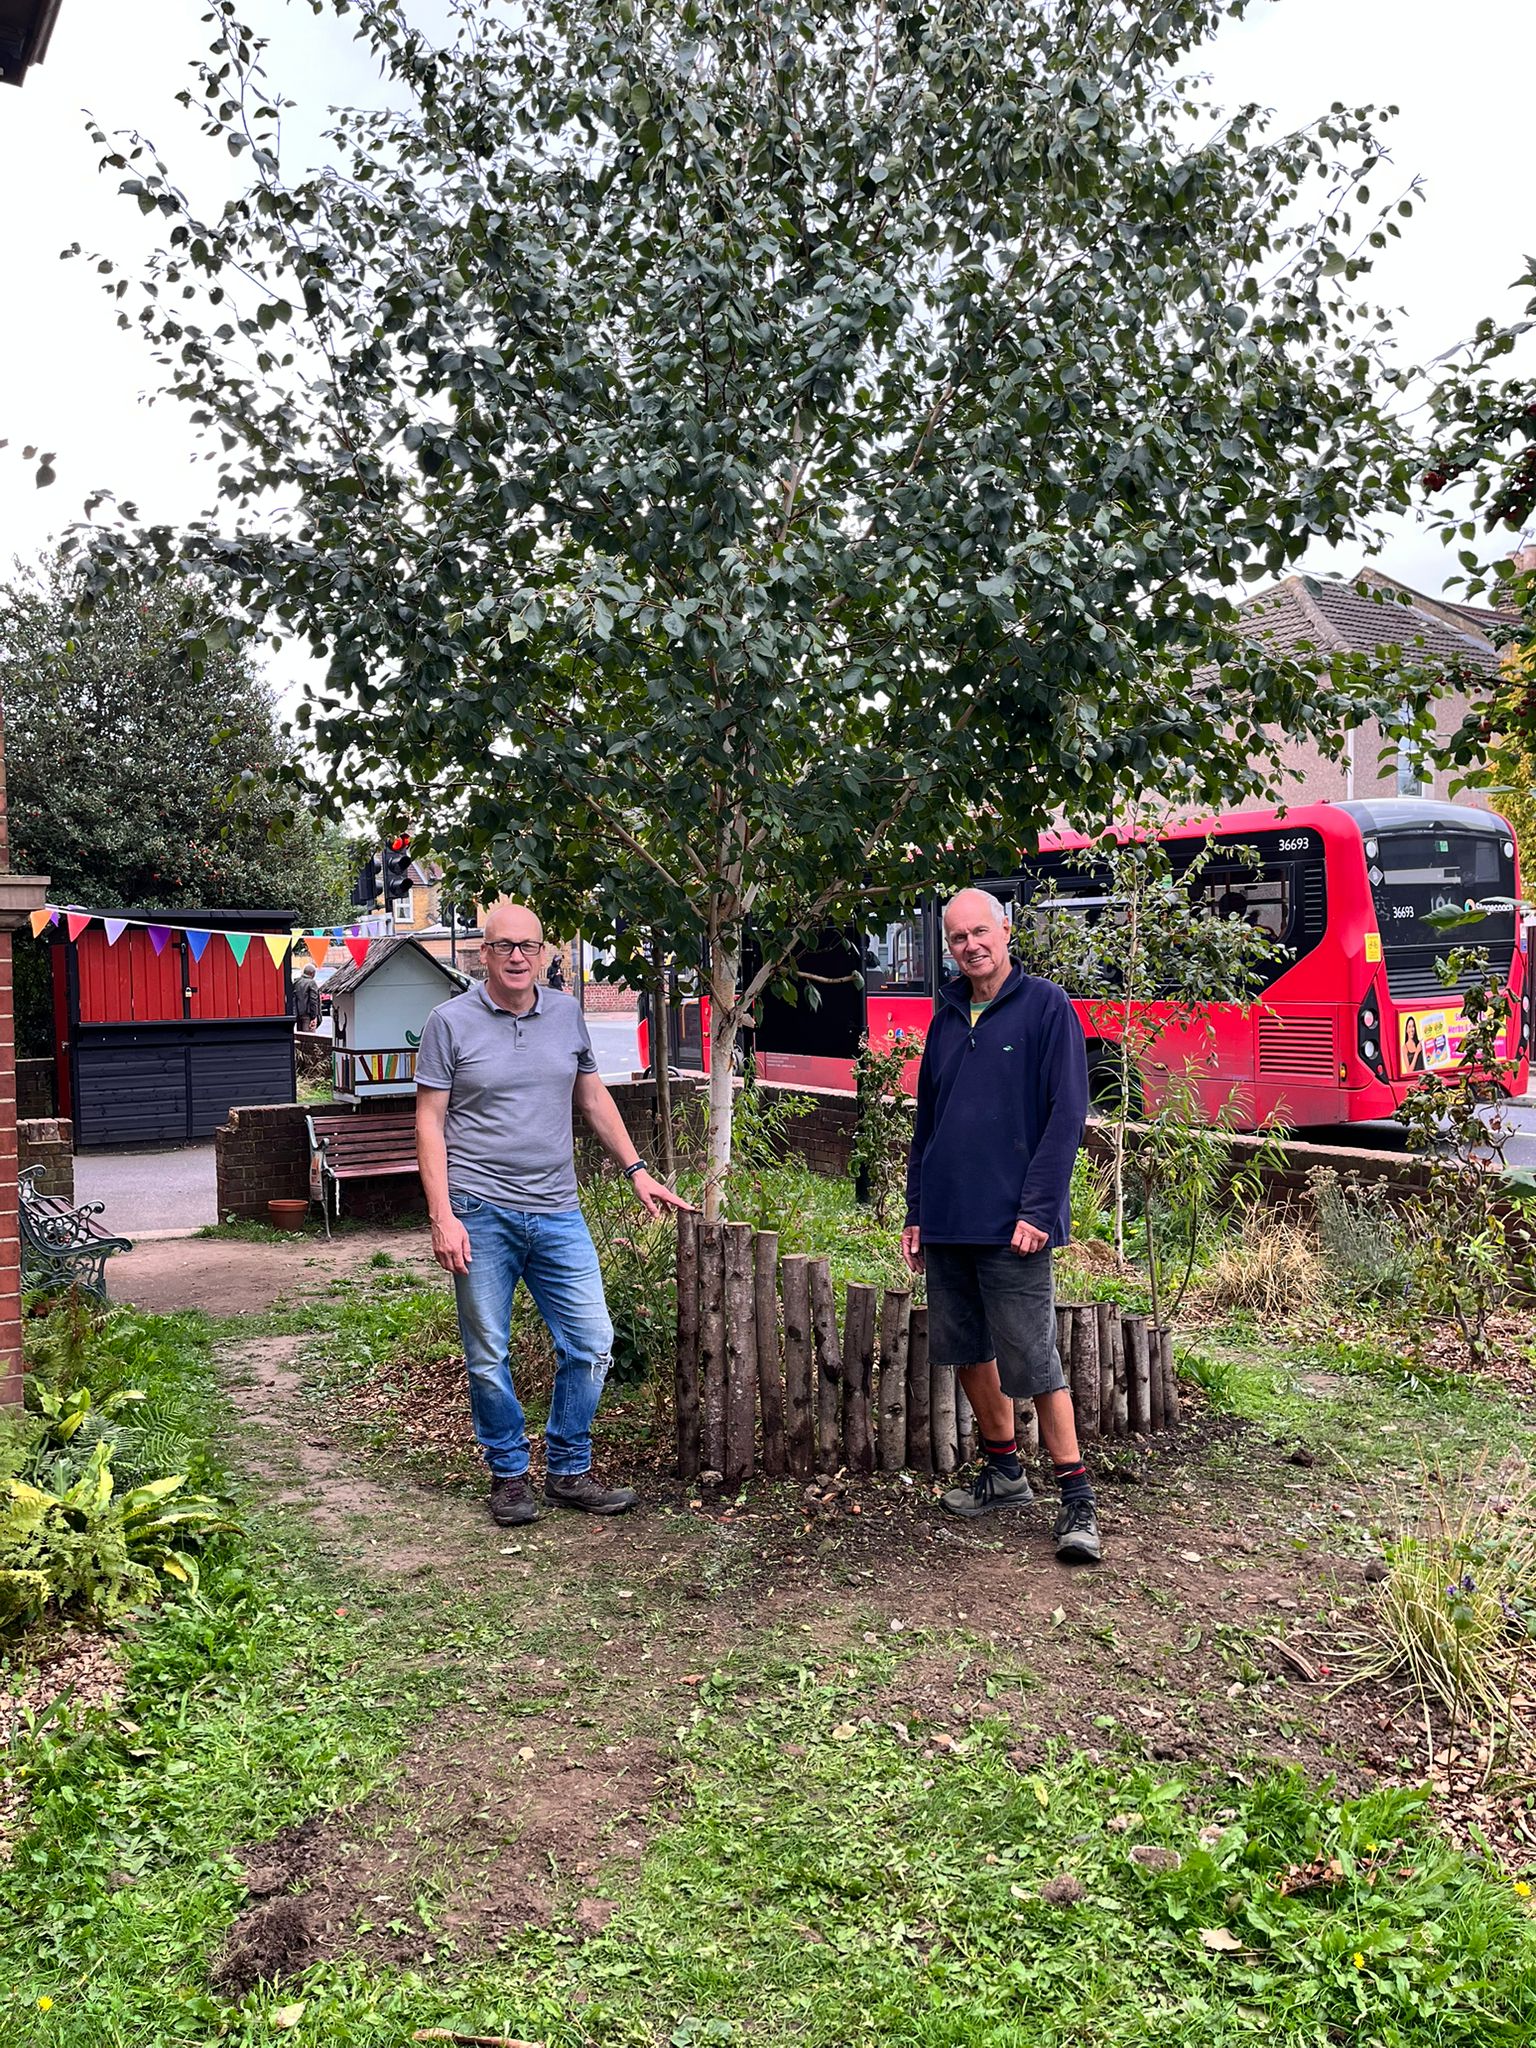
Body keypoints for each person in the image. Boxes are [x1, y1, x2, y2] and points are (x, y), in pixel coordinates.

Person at [415, 900, 693, 1527]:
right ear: (482, 954)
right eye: (504, 946)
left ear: (545, 954)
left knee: (592, 1343)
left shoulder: (567, 1014)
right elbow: (429, 1121)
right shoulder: (448, 1022)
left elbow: (592, 1098)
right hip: (479, 1208)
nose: (518, 956)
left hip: (557, 1210)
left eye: (529, 946)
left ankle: (568, 1469)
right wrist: (442, 1215)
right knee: (488, 1353)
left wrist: (637, 1170)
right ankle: (509, 1474)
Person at [901, 888, 1100, 1564]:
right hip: (950, 1221)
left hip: (1016, 1224)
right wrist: (917, 1212)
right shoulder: (948, 1015)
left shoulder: (1047, 1007)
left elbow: (1066, 1115)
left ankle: (1078, 1503)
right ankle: (1004, 1473)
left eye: (979, 932)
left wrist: (1038, 1210)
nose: (969, 946)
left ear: (1006, 931)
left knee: (1034, 1360)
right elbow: (927, 1122)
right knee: (966, 1352)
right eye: (957, 938)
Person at [292, 963, 323, 1033]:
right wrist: (314, 1016)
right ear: (312, 973)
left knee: (300, 1038)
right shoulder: (312, 983)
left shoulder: (297, 982)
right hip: (308, 1015)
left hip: (298, 1015)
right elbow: (313, 1001)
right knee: (309, 1039)